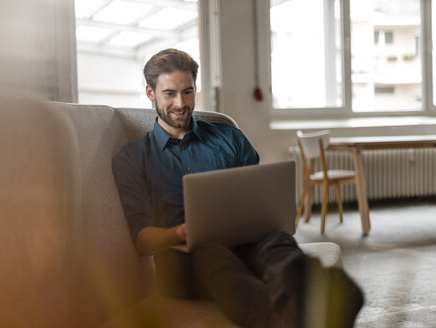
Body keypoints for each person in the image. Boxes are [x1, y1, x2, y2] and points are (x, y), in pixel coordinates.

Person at [112, 48, 363, 328]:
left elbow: (256, 199)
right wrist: (180, 232)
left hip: (246, 241)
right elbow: (143, 240)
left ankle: (317, 297)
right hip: (183, 262)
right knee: (210, 254)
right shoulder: (133, 158)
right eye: (169, 93)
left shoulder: (229, 138)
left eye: (188, 91)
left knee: (277, 243)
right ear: (150, 93)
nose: (181, 103)